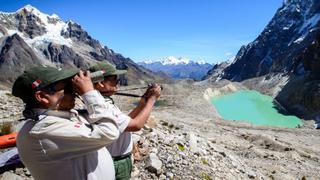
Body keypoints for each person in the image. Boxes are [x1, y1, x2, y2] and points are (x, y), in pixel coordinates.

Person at [12, 66, 120, 180]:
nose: (73, 92)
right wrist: (89, 93)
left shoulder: (61, 115)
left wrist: (91, 89)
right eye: (68, 88)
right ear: (42, 97)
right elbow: (109, 132)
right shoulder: (43, 130)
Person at [88, 62, 161, 180]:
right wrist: (152, 100)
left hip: (117, 158)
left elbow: (126, 121)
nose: (118, 81)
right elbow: (136, 125)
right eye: (114, 79)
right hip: (116, 161)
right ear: (100, 83)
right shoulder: (103, 106)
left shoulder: (102, 102)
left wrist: (143, 102)